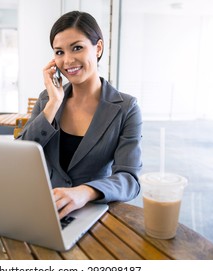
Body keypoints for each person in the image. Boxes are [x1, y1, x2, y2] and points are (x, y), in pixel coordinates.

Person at [18, 11, 142, 219]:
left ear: (98, 48)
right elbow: (20, 157)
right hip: (46, 209)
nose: (67, 60)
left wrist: (85, 192)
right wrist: (54, 103)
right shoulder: (46, 100)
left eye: (77, 48)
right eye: (59, 52)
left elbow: (130, 179)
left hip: (94, 213)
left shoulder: (126, 108)